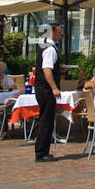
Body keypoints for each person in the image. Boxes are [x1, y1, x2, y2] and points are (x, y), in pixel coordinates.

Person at [34, 22, 62, 162]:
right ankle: (41, 152)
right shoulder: (50, 49)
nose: (61, 34)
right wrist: (54, 88)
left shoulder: (44, 46)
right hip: (45, 90)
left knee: (46, 119)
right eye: (59, 32)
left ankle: (43, 150)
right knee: (46, 120)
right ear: (53, 33)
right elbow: (46, 70)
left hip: (41, 88)